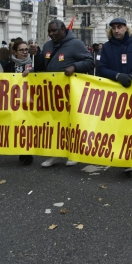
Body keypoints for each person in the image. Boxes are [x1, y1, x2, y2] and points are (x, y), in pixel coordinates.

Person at [29, 20, 95, 167]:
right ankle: (55, 153)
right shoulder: (47, 46)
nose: (51, 34)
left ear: (63, 29)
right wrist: (37, 55)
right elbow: (42, 67)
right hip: (51, 93)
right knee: (54, 124)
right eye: (49, 31)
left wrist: (74, 66)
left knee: (72, 123)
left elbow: (90, 62)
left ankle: (74, 152)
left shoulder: (76, 44)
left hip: (71, 93)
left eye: (54, 31)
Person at [97, 17, 132, 174]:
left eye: (119, 27)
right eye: (113, 28)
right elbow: (101, 68)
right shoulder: (106, 48)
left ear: (126, 28)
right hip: (114, 93)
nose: (116, 30)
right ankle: (120, 155)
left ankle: (131, 157)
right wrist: (118, 76)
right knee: (116, 125)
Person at [3, 40, 34, 165]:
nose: (25, 52)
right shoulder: (8, 66)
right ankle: (21, 150)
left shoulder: (33, 64)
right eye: (21, 50)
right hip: (15, 101)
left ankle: (28, 153)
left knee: (28, 126)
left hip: (30, 101)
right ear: (15, 52)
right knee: (18, 126)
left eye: (26, 49)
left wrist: (32, 74)